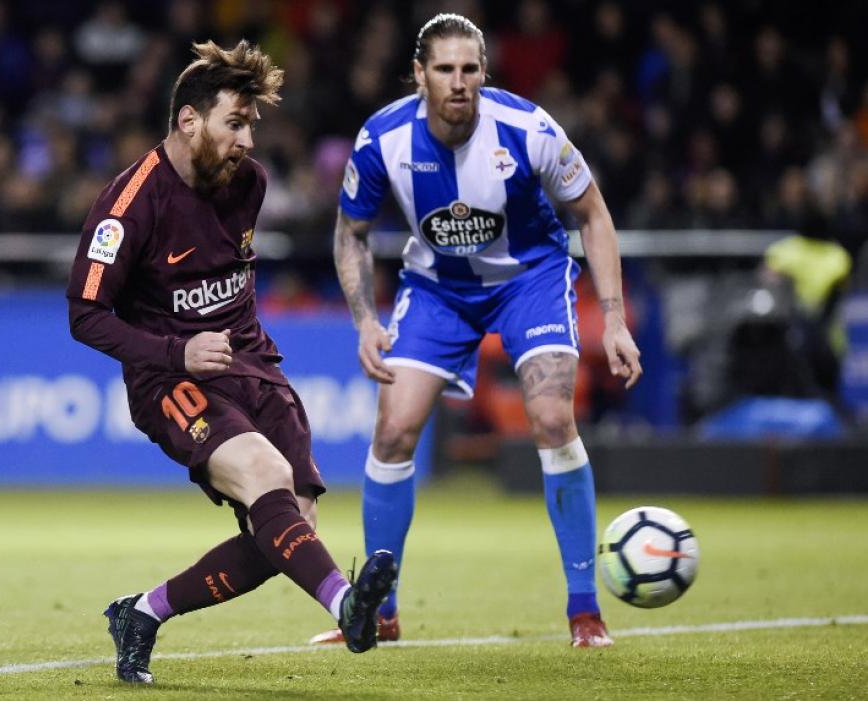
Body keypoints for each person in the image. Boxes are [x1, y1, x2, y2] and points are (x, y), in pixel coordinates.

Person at [66, 40, 397, 684]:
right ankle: (345, 604)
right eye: (234, 123)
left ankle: (142, 612)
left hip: (252, 365)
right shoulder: (128, 205)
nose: (247, 139)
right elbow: (85, 315)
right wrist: (175, 351)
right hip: (171, 379)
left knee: (290, 528)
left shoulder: (249, 183)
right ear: (190, 120)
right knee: (264, 472)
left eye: (251, 124)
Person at [311, 14, 642, 649]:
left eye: (469, 69)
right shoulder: (382, 139)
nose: (458, 82)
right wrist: (364, 322)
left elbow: (593, 214)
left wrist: (617, 319)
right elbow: (350, 231)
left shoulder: (527, 129)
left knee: (551, 419)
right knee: (394, 427)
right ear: (419, 74)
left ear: (483, 73)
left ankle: (584, 612)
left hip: (531, 280)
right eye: (444, 69)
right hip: (438, 290)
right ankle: (379, 614)